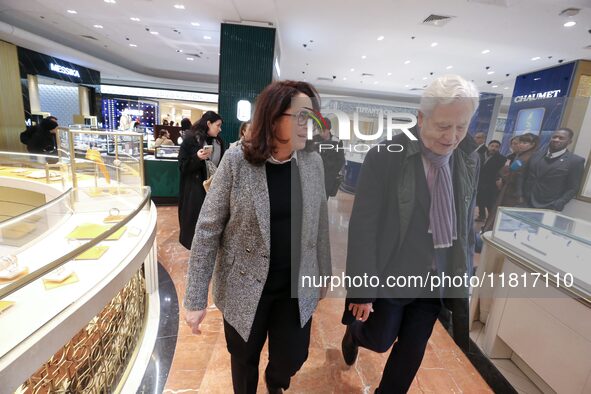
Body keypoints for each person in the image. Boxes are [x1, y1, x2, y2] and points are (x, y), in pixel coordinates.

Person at [184, 81, 331, 394]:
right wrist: (196, 298)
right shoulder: (238, 160)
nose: (311, 125)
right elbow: (208, 227)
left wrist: (324, 273)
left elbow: (320, 224)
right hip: (244, 282)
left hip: (294, 285)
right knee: (244, 356)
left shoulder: (313, 163)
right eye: (302, 116)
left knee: (293, 357)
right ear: (274, 117)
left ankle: (276, 382)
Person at [340, 75, 480, 393]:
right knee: (379, 339)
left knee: (413, 347)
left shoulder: (469, 157)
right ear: (421, 118)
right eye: (444, 126)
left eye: (461, 126)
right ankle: (355, 334)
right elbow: (364, 226)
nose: (453, 136)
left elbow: (464, 223)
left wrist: (463, 272)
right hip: (394, 270)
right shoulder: (386, 155)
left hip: (437, 275)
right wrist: (362, 290)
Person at [178, 111, 225, 249]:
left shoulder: (219, 142)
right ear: (208, 124)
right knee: (194, 224)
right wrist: (197, 158)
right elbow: (182, 166)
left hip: (213, 190)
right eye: (218, 125)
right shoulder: (190, 141)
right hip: (194, 191)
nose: (220, 129)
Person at [483, 133, 538, 233]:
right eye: (520, 142)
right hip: (510, 190)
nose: (521, 145)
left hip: (514, 193)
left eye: (525, 142)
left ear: (533, 144)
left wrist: (506, 168)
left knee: (505, 219)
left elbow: (507, 173)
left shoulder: (526, 158)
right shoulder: (521, 156)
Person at [522, 128, 585, 211]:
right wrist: (520, 195)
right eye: (554, 137)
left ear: (569, 142)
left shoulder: (575, 161)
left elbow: (573, 187)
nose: (556, 139)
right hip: (526, 202)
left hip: (549, 206)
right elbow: (524, 175)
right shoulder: (536, 155)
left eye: (561, 138)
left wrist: (560, 202)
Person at [313, 118, 345, 198]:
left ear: (329, 129)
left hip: (328, 178)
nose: (321, 133)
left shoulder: (337, 141)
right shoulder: (313, 140)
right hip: (314, 177)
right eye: (319, 130)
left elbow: (340, 160)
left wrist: (332, 174)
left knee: (324, 201)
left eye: (324, 130)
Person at [476, 140, 506, 222]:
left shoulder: (502, 159)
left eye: (496, 147)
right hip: (480, 182)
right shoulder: (480, 156)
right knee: (480, 200)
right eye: (492, 146)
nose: (494, 148)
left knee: (490, 203)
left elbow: (501, 171)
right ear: (488, 146)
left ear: (499, 148)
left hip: (492, 184)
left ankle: (491, 219)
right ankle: (481, 215)